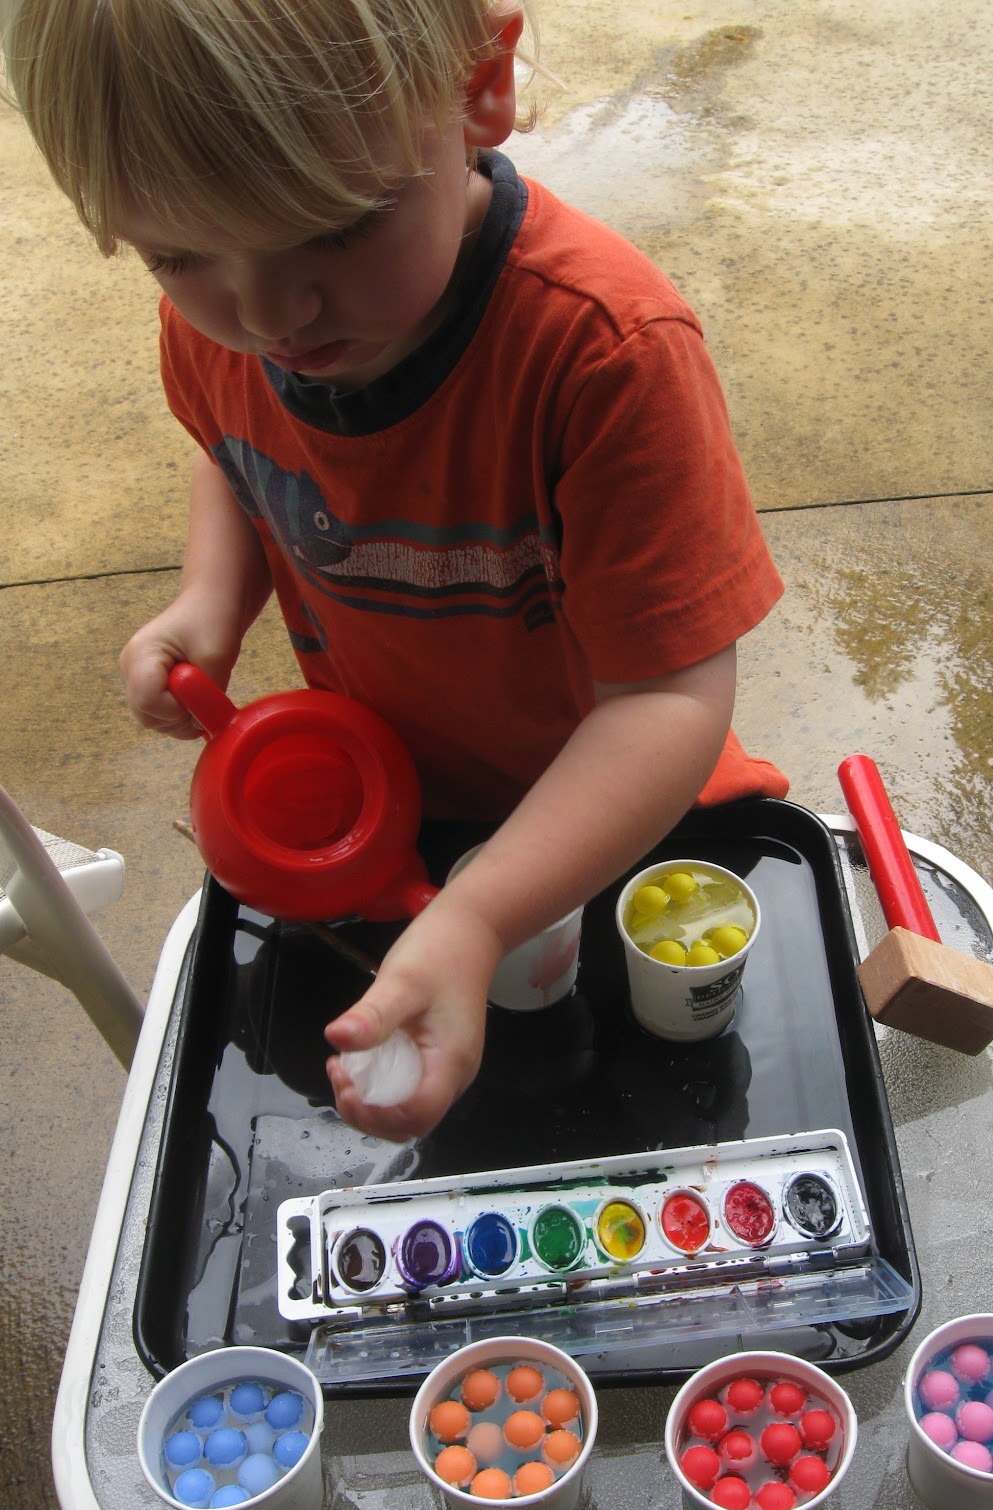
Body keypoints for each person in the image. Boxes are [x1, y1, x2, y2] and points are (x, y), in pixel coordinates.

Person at [2, 0, 788, 1142]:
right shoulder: (224, 336)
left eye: (336, 228)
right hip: (394, 819)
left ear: (479, 85)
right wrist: (213, 596)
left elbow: (669, 698)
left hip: (625, 827)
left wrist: (477, 918)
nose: (271, 315)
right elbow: (235, 452)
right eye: (177, 253)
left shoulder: (603, 358)